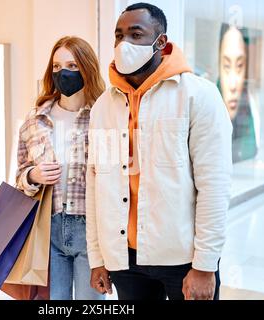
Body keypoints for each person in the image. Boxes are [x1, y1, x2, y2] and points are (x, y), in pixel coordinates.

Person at [86, 2, 233, 300]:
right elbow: (95, 183)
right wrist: (98, 258)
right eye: (119, 35)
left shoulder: (198, 95)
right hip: (125, 258)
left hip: (182, 258)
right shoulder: (104, 106)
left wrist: (205, 264)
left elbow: (214, 185)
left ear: (161, 42)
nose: (124, 43)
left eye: (136, 34)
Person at [16, 36, 106, 300]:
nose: (62, 73)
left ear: (87, 68)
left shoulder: (103, 116)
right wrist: (33, 175)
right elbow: (20, 176)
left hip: (92, 230)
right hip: (48, 228)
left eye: (71, 65)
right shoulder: (35, 120)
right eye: (56, 67)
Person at [218, 23, 259, 163]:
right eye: (226, 66)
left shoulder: (252, 109)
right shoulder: (205, 111)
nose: (233, 85)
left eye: (240, 66)